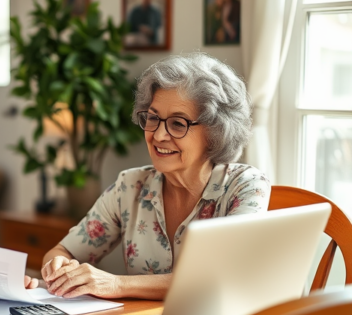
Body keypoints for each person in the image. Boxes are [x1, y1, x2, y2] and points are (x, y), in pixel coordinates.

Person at [24, 53, 270, 300]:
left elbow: (223, 276)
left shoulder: (246, 186)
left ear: (215, 132)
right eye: (153, 118)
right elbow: (64, 251)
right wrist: (60, 267)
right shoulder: (130, 186)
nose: (159, 135)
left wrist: (117, 285)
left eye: (177, 123)